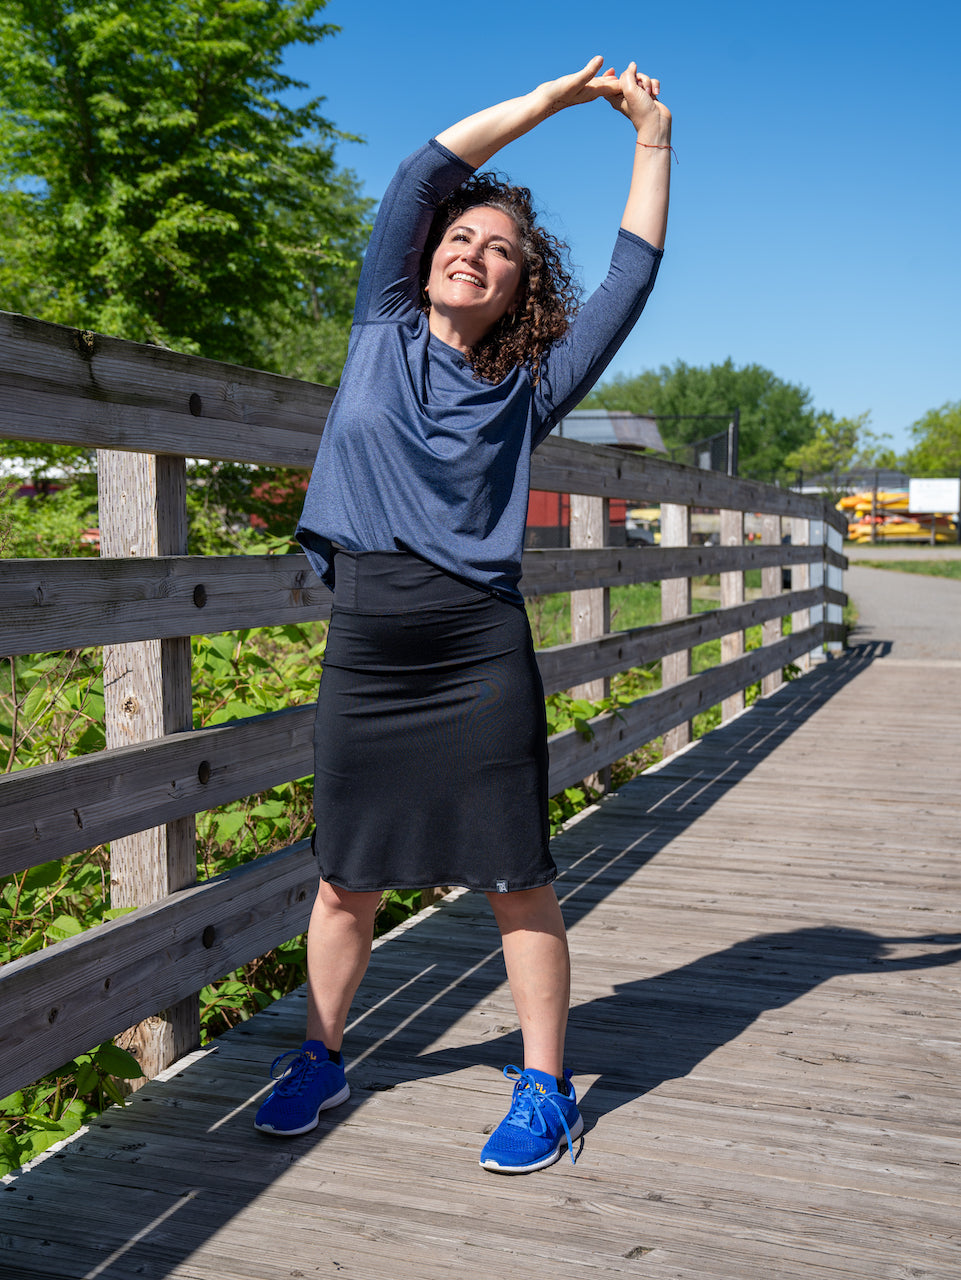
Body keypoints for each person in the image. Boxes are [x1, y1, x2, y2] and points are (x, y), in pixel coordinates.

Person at [254, 56, 672, 1174]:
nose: (471, 252)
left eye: (499, 252)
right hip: (371, 640)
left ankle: (544, 1085)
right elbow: (425, 169)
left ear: (516, 290)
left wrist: (649, 141)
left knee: (514, 873)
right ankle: (320, 1053)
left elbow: (630, 276)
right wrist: (549, 103)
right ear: (428, 251)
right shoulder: (381, 323)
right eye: (461, 235)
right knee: (346, 872)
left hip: (476, 646)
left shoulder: (529, 387)